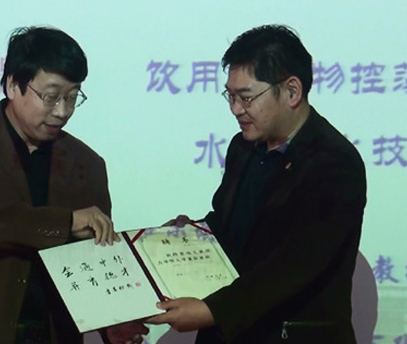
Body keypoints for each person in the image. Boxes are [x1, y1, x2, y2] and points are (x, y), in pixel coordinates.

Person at [147, 25, 367, 344]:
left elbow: (295, 264)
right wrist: (191, 236)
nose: (236, 109)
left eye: (246, 97)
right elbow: (231, 225)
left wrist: (213, 310)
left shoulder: (334, 162)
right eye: (231, 96)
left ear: (292, 91)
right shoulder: (243, 147)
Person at [0, 26, 147, 344]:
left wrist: (113, 321)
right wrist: (66, 223)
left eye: (72, 97)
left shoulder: (87, 163)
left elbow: (94, 255)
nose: (62, 111)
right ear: (12, 85)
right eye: (51, 96)